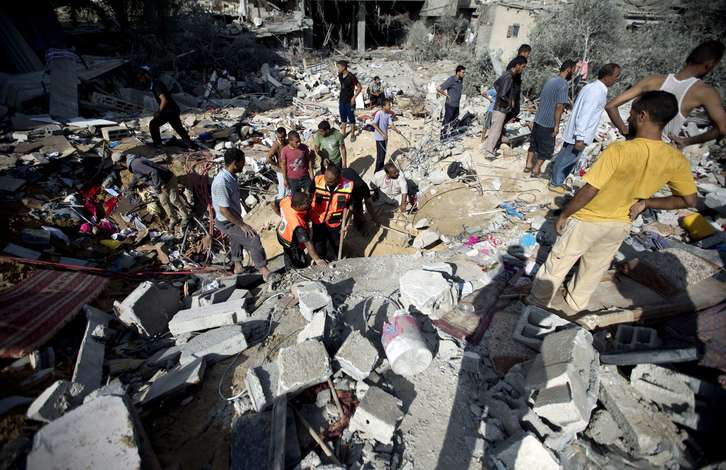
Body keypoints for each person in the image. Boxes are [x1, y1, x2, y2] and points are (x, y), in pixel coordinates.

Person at [529, 91, 697, 314]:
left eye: (633, 113)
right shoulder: (675, 158)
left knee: (557, 264)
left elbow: (591, 189)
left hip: (588, 220)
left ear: (643, 116)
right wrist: (646, 203)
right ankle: (574, 308)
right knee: (592, 270)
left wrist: (565, 214)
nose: (628, 118)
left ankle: (537, 305)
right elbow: (688, 199)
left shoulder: (621, 149)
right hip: (620, 224)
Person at [605, 40, 726, 146]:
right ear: (710, 64)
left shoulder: (653, 80)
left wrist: (626, 132)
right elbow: (722, 128)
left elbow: (611, 106)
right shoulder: (704, 92)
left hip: (635, 149)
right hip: (662, 155)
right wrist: (686, 141)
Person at [548, 63, 622, 193]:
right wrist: (580, 137)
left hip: (577, 133)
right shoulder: (596, 92)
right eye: (616, 76)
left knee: (566, 157)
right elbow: (584, 115)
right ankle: (555, 183)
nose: (617, 79)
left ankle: (557, 181)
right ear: (607, 76)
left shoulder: (592, 87)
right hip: (578, 135)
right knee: (567, 159)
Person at [211, 148, 273, 280]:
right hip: (226, 221)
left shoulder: (230, 176)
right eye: (242, 162)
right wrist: (242, 225)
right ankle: (264, 270)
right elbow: (224, 210)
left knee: (236, 238)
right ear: (235, 163)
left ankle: (238, 266)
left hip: (233, 216)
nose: (244, 165)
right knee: (252, 238)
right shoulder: (222, 182)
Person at [113, 153, 189, 232]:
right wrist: (131, 185)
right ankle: (173, 219)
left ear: (120, 162)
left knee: (174, 200)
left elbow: (154, 172)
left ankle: (186, 217)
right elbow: (137, 175)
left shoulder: (135, 164)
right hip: (160, 183)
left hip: (167, 179)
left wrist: (157, 186)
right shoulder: (132, 163)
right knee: (164, 202)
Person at [525, 60, 576, 177]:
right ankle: (536, 169)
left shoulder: (551, 80)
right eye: (573, 70)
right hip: (548, 122)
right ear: (568, 70)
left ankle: (528, 165)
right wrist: (557, 125)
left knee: (534, 143)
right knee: (547, 149)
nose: (574, 73)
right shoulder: (563, 84)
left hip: (538, 119)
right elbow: (559, 106)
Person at [136, 67, 196, 149]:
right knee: (178, 128)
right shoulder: (155, 84)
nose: (140, 81)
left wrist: (159, 112)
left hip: (169, 111)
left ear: (146, 75)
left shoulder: (156, 85)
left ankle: (158, 145)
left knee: (153, 124)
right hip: (172, 109)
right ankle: (190, 145)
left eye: (140, 78)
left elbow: (164, 99)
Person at [483, 57, 528, 159]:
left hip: (499, 107)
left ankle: (491, 149)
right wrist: (510, 102)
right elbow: (503, 94)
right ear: (517, 65)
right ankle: (489, 152)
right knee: (496, 130)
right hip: (500, 108)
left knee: (496, 129)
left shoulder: (506, 74)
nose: (523, 69)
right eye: (523, 67)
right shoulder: (509, 77)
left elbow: (496, 84)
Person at [310, 164, 355, 261]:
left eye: (330, 181)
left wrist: (346, 223)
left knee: (335, 243)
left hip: (334, 221)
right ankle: (321, 259)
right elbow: (308, 196)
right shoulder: (317, 180)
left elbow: (350, 206)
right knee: (318, 244)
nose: (326, 182)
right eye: (325, 178)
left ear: (338, 178)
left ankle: (337, 259)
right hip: (318, 219)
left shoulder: (348, 186)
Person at [276, 192, 327, 270]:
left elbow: (273, 204)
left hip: (282, 232)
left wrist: (282, 216)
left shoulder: (287, 201)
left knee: (287, 253)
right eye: (306, 204)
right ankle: (292, 269)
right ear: (299, 206)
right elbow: (307, 242)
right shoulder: (297, 223)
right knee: (295, 256)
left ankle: (291, 262)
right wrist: (317, 260)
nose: (309, 204)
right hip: (288, 240)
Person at [371, 100, 403, 173]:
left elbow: (391, 125)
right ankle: (377, 171)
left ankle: (381, 168)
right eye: (388, 105)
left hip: (385, 138)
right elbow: (374, 124)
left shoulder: (388, 114)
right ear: (384, 106)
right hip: (379, 138)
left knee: (384, 154)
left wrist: (397, 130)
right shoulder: (379, 113)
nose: (390, 106)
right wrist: (382, 134)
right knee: (380, 156)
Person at [279, 131, 313, 195]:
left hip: (305, 177)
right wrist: (285, 179)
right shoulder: (284, 151)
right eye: (296, 142)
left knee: (309, 195)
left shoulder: (304, 147)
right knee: (296, 199)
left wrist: (312, 176)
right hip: (292, 180)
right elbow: (283, 166)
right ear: (290, 141)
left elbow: (309, 161)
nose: (299, 143)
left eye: (299, 141)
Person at [337, 60, 363, 141]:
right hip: (342, 100)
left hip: (349, 101)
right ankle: (343, 133)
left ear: (344, 67)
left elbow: (359, 87)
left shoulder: (351, 76)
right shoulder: (340, 75)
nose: (337, 69)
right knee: (343, 118)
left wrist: (354, 97)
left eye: (338, 67)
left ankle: (352, 134)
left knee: (351, 118)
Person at [437, 65, 466, 139]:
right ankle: (443, 137)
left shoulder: (460, 80)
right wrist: (447, 95)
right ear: (458, 72)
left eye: (464, 72)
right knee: (447, 121)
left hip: (456, 105)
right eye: (463, 72)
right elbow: (439, 88)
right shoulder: (451, 79)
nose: (464, 74)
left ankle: (452, 136)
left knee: (454, 121)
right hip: (450, 105)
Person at [266, 127, 288, 201]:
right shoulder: (276, 145)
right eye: (279, 137)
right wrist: (276, 164)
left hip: (287, 168)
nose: (281, 139)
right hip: (280, 170)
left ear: (285, 135)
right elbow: (268, 158)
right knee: (282, 187)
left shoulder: (286, 142)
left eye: (282, 137)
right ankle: (279, 203)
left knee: (288, 187)